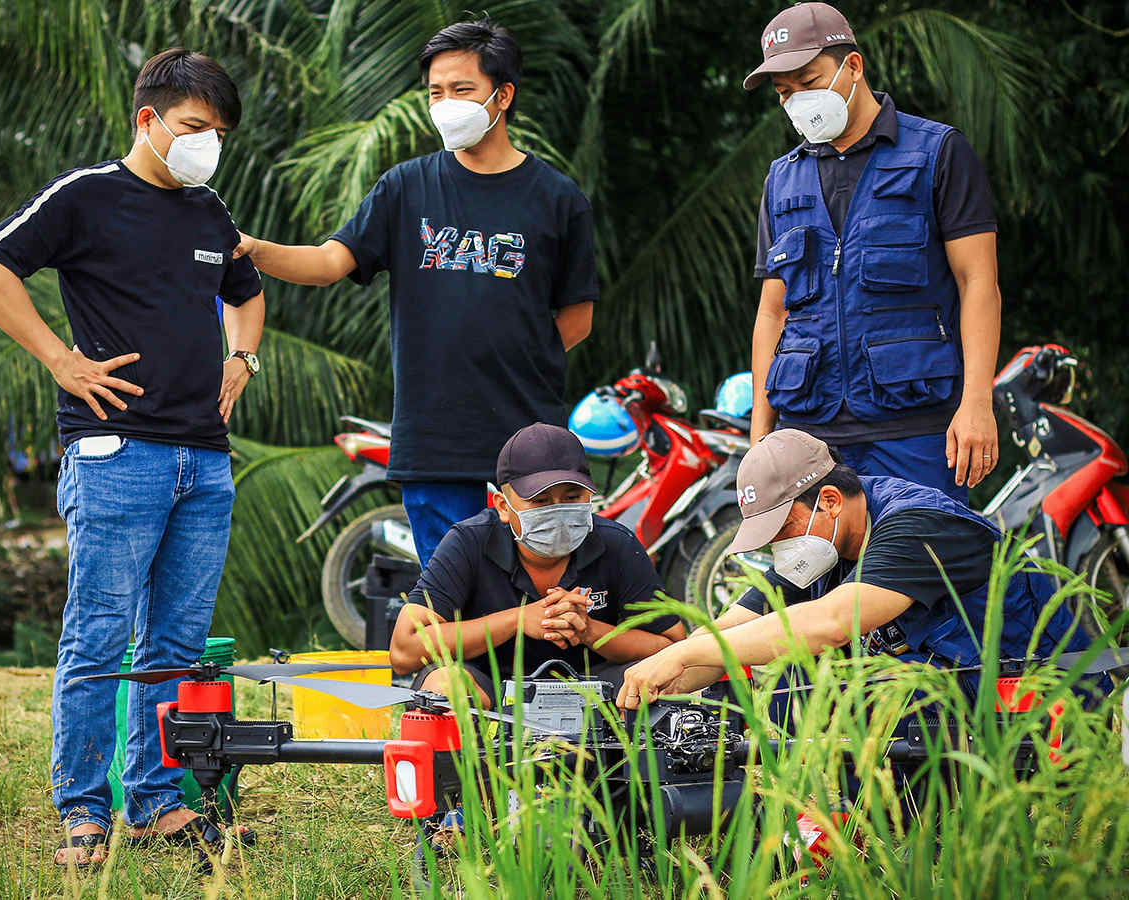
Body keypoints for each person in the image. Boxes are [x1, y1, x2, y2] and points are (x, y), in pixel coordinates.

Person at [0, 48, 264, 867]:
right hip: (115, 451)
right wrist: (61, 360)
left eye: (220, 133)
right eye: (196, 127)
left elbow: (247, 290)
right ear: (149, 119)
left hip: (205, 460)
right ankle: (84, 809)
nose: (208, 144)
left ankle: (157, 798)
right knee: (98, 638)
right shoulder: (88, 196)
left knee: (174, 641)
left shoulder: (209, 211)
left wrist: (242, 359)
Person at [233, 17, 598, 566]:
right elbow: (330, 262)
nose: (445, 103)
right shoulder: (405, 188)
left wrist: (516, 359)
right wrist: (255, 248)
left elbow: (578, 318)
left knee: (534, 599)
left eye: (461, 89)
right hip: (434, 439)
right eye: (435, 92)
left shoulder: (557, 197)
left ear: (503, 96)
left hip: (529, 443)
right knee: (449, 603)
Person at [617, 429, 1091, 710]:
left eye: (781, 532)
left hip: (1034, 697)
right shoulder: (823, 541)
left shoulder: (916, 524)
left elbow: (829, 624)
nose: (780, 550)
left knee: (858, 692)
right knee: (790, 684)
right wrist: (664, 674)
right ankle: (811, 836)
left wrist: (679, 656)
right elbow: (737, 628)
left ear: (828, 500)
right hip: (947, 689)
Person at [744, 2, 1001, 502]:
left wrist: (977, 401)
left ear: (853, 67)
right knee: (820, 577)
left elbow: (978, 284)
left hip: (917, 426)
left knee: (924, 570)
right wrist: (761, 435)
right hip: (809, 432)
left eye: (808, 80)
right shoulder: (782, 179)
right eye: (784, 92)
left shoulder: (937, 153)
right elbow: (772, 313)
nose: (797, 100)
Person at [389, 423, 685, 707]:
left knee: (660, 680)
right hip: (490, 688)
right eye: (540, 501)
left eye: (572, 497)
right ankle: (474, 758)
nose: (557, 510)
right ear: (503, 506)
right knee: (445, 685)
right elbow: (405, 650)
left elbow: (671, 648)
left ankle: (624, 757)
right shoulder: (468, 542)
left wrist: (590, 631)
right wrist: (517, 620)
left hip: (597, 692)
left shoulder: (616, 543)